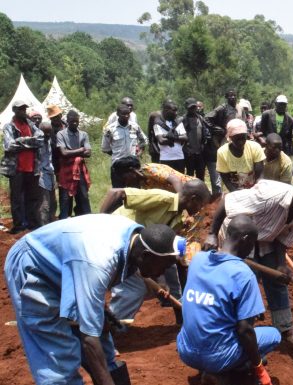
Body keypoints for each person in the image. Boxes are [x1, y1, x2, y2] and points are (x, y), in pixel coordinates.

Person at [4, 215, 183, 384]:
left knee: (104, 345)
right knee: (59, 356)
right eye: (164, 266)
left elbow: (91, 286)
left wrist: (99, 312)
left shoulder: (136, 240)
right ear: (145, 256)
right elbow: (88, 339)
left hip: (71, 264)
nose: (161, 274)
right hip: (36, 267)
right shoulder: (99, 261)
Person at [204, 177, 293, 346]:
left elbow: (282, 239)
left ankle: (285, 327)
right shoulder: (268, 196)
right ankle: (241, 330)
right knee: (247, 281)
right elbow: (227, 201)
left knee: (277, 279)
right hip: (242, 236)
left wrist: (280, 265)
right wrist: (212, 233)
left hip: (266, 238)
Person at [178, 216, 280, 385]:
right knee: (274, 335)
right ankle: (227, 370)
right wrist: (259, 368)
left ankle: (213, 367)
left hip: (186, 351)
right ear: (245, 239)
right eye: (253, 243)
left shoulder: (197, 259)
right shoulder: (243, 273)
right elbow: (245, 330)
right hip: (217, 357)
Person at [100, 179, 211, 323]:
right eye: (201, 205)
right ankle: (109, 328)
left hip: (137, 253)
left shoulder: (179, 218)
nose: (200, 210)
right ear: (193, 199)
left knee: (162, 271)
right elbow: (116, 193)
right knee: (134, 290)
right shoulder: (162, 199)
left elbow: (169, 255)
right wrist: (99, 221)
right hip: (114, 241)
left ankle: (180, 317)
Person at [2, 100, 43, 233]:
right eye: (20, 109)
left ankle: (32, 223)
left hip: (32, 167)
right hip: (17, 168)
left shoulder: (31, 125)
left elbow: (41, 140)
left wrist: (21, 141)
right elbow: (9, 146)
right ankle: (19, 225)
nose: (23, 112)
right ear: (14, 111)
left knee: (32, 197)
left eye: (24, 109)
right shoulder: (9, 126)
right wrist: (29, 141)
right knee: (17, 199)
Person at [56, 110, 92, 219]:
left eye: (77, 121)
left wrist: (72, 152)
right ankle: (64, 220)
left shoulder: (83, 134)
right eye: (72, 121)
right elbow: (64, 153)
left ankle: (85, 219)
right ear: (67, 121)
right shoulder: (61, 134)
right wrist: (81, 150)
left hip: (79, 169)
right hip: (66, 169)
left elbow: (89, 153)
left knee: (83, 196)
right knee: (65, 197)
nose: (75, 124)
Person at [102, 104, 148, 188]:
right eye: (124, 114)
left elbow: (144, 140)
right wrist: (117, 156)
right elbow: (105, 148)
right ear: (118, 114)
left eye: (128, 114)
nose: (126, 116)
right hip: (118, 166)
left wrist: (139, 153)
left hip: (133, 165)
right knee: (118, 194)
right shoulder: (110, 129)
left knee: (134, 194)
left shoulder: (134, 126)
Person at [217, 119, 266, 192]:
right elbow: (226, 178)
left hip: (254, 189)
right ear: (230, 137)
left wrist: (255, 192)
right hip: (234, 190)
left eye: (243, 138)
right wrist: (237, 194)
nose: (241, 142)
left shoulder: (255, 147)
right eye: (237, 139)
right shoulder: (222, 152)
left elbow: (259, 176)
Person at [179, 97, 211, 182]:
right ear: (187, 108)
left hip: (199, 152)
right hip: (188, 153)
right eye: (191, 107)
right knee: (189, 175)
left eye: (194, 107)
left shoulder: (200, 118)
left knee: (200, 175)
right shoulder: (182, 120)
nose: (193, 109)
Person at [153, 100, 187, 172]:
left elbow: (185, 138)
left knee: (180, 181)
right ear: (166, 111)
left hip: (179, 157)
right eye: (174, 111)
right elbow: (161, 141)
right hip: (166, 158)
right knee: (167, 182)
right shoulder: (158, 123)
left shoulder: (178, 122)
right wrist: (177, 138)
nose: (176, 113)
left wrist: (170, 137)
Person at [36, 120, 57, 225]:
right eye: (45, 132)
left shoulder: (48, 140)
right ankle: (43, 226)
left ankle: (51, 224)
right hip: (41, 174)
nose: (48, 135)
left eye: (49, 132)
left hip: (50, 172)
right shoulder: (36, 141)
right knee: (45, 204)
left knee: (53, 202)